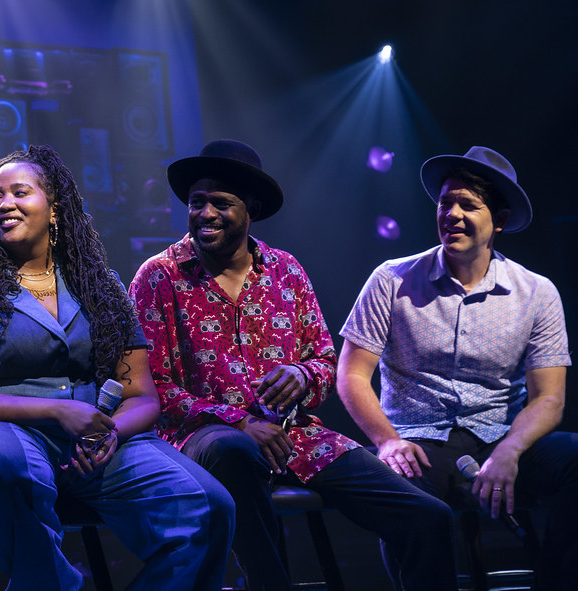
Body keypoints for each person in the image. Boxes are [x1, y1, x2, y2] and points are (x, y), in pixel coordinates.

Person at [0, 145, 235, 591]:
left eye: (20, 192)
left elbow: (141, 395)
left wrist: (111, 431)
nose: (5, 204)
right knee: (1, 467)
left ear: (54, 209)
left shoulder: (99, 285)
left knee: (209, 507)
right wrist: (55, 412)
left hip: (87, 440)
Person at [129, 139, 456, 591]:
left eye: (220, 203)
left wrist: (302, 376)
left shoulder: (285, 270)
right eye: (196, 202)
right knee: (234, 452)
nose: (204, 214)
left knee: (429, 518)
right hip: (203, 437)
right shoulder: (158, 276)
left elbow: (324, 361)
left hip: (295, 435)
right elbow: (152, 387)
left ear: (252, 209)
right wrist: (240, 424)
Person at [338, 145, 578, 590]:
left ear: (499, 221)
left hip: (498, 440)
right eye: (446, 202)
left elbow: (550, 397)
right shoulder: (392, 278)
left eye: (468, 205)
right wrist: (387, 442)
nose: (452, 213)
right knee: (406, 501)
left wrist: (512, 451)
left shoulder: (536, 292)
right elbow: (352, 375)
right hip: (417, 440)